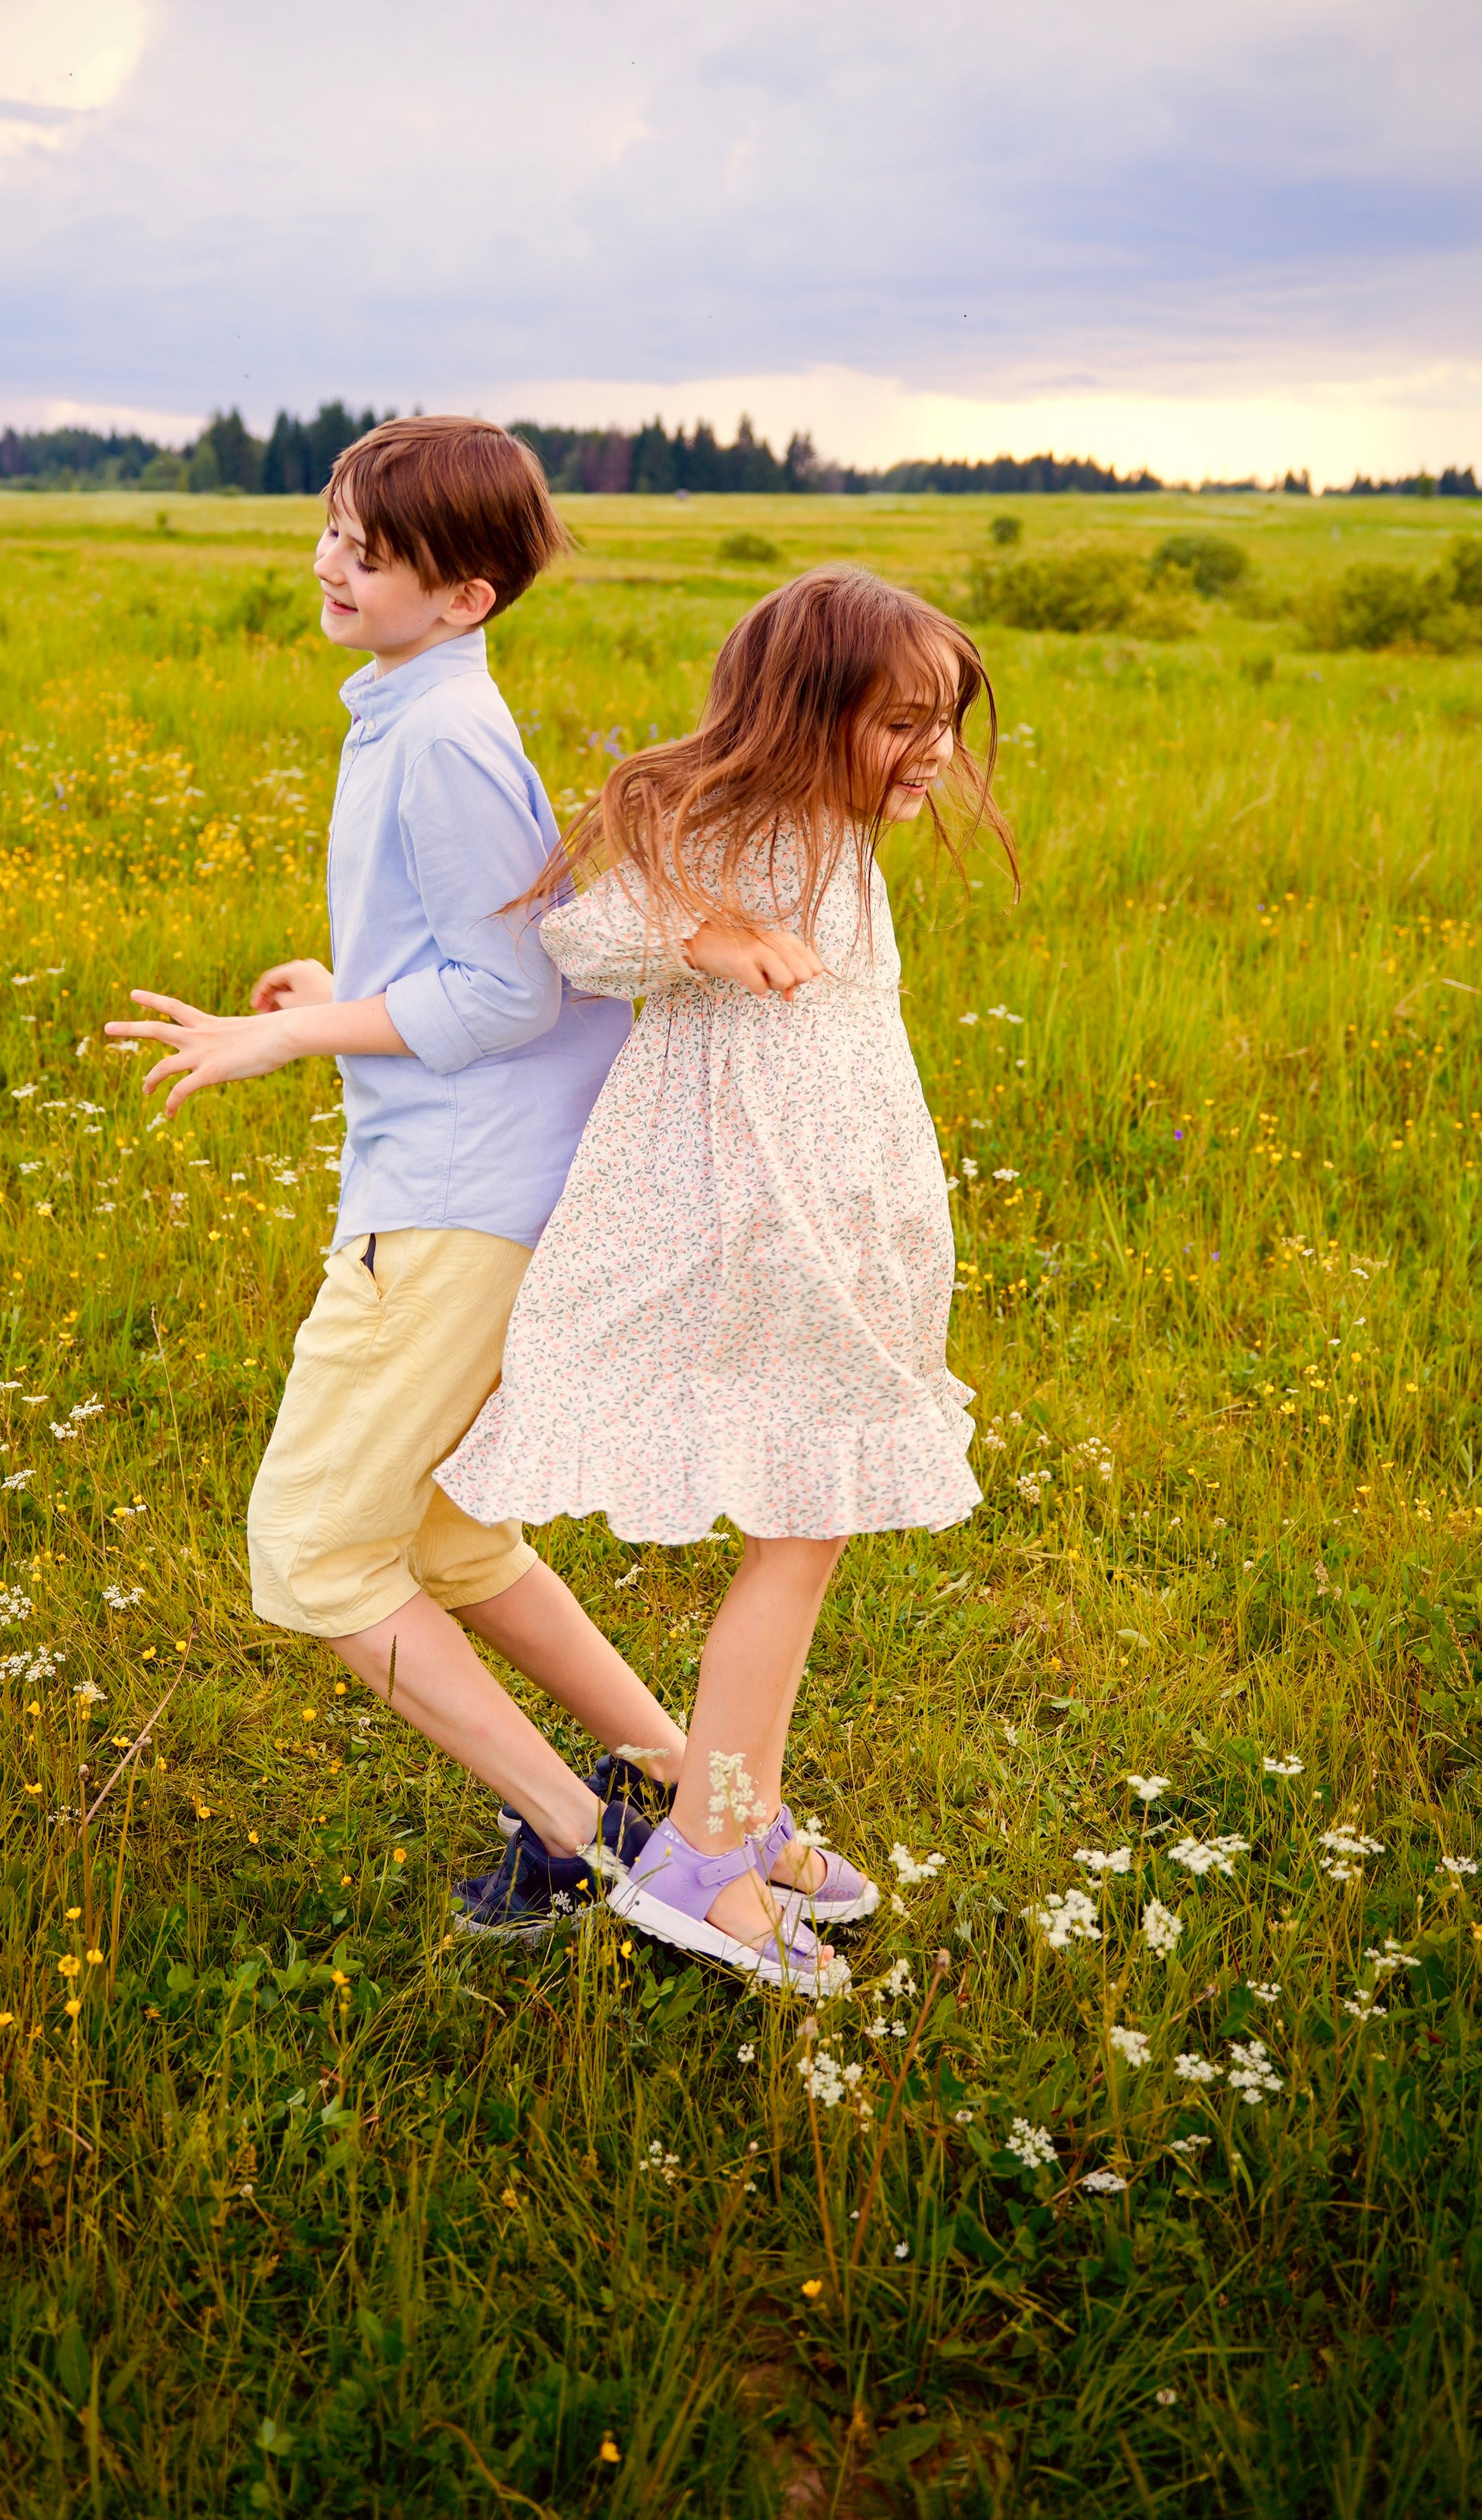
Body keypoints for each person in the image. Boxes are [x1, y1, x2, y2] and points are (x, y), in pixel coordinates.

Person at [104, 415, 687, 1928]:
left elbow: (503, 997)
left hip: (452, 1206)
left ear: (465, 597)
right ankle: (688, 1788)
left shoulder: (436, 739)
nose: (329, 566)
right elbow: (464, 957)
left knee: (311, 1549)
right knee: (440, 1532)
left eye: (370, 555)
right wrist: (345, 988)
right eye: (329, 532)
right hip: (470, 1182)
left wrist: (279, 1043)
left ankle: (593, 1842)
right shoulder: (412, 707)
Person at [437, 565, 1014, 1995]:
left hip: (830, 1232)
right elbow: (587, 930)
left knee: (802, 1535)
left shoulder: (833, 832)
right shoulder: (742, 825)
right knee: (800, 1533)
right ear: (801, 715)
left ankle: (733, 1821)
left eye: (942, 721)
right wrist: (713, 936)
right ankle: (709, 1847)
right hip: (760, 1238)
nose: (932, 751)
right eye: (899, 722)